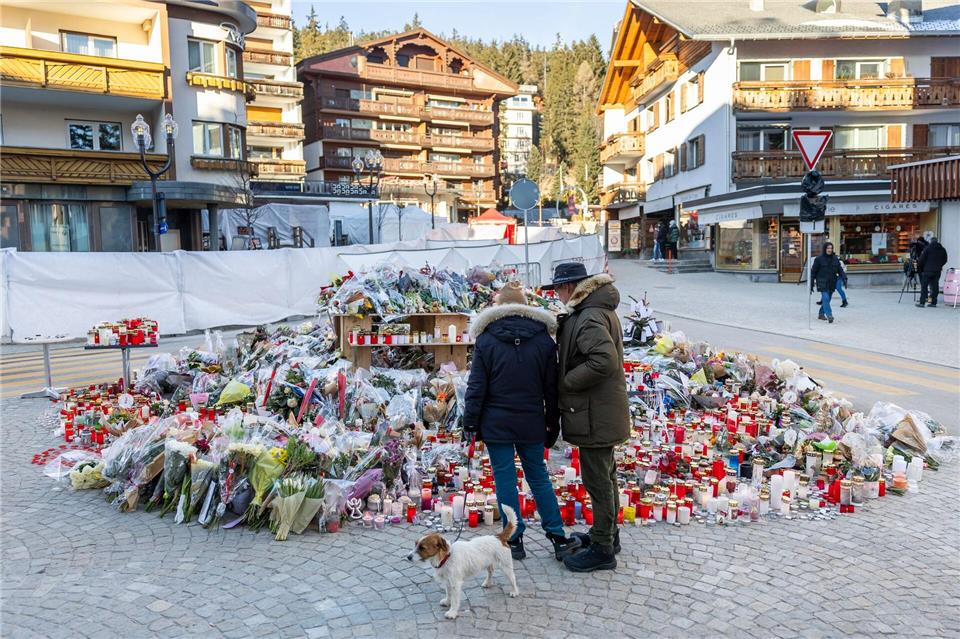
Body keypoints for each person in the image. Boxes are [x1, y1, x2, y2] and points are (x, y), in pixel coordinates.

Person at [462, 280, 576, 561]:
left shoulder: (486, 339)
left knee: (504, 478)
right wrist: (553, 423)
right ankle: (558, 536)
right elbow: (552, 389)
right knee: (538, 476)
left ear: (498, 308)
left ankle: (514, 539)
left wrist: (470, 424)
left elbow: (476, 387)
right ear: (526, 308)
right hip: (531, 420)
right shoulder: (543, 340)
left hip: (496, 422)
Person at [546, 263, 630, 572]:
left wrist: (567, 381)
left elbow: (603, 361)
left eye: (558, 289)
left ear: (571, 288)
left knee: (598, 481)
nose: (557, 294)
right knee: (605, 476)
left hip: (596, 413)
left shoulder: (590, 315)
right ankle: (606, 534)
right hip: (600, 410)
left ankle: (603, 549)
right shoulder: (593, 310)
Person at [811, 242, 843, 323]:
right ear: (825, 249)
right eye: (828, 248)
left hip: (832, 282)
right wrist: (811, 283)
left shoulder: (835, 259)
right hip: (822, 281)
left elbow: (840, 270)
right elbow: (813, 272)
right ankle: (829, 315)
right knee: (825, 298)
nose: (830, 250)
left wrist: (844, 278)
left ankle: (821, 313)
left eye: (831, 248)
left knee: (827, 300)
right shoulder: (818, 259)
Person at [917, 236, 949, 308]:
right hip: (937, 271)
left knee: (924, 286)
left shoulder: (927, 248)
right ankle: (933, 302)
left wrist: (922, 267)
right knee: (935, 286)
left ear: (931, 241)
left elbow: (921, 260)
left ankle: (922, 302)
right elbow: (945, 259)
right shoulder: (942, 249)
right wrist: (940, 265)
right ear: (937, 241)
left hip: (927, 271)